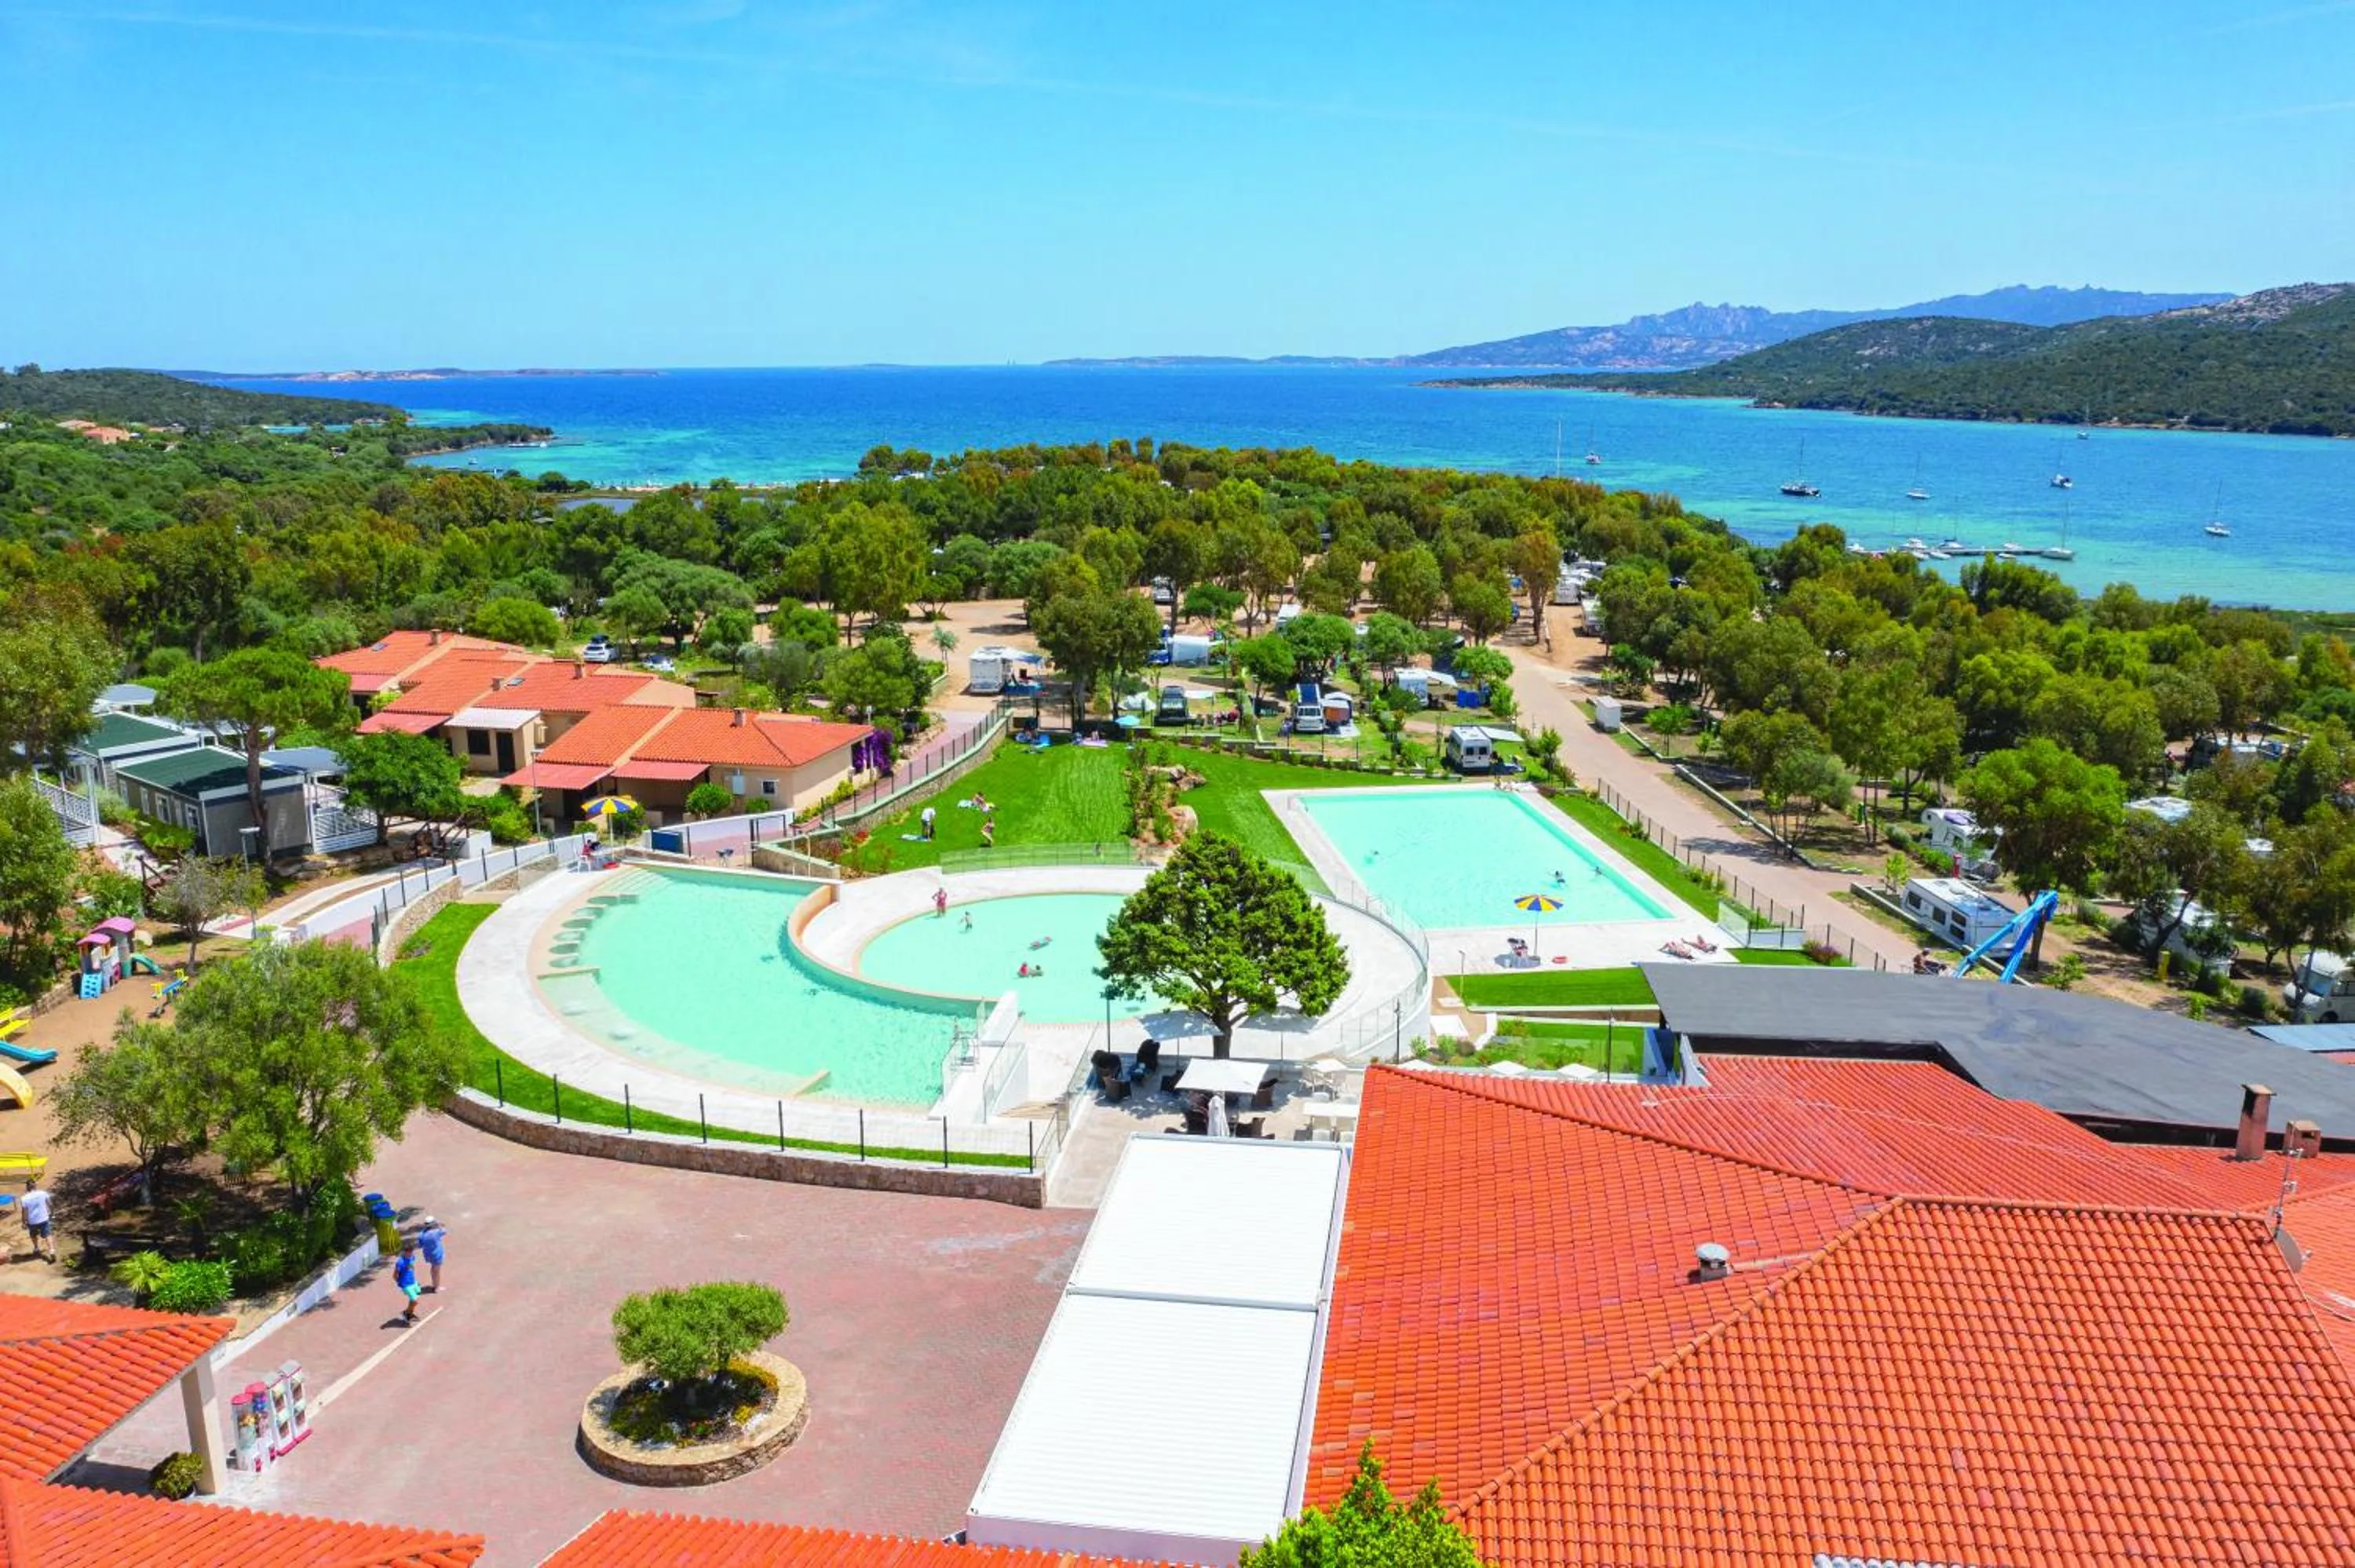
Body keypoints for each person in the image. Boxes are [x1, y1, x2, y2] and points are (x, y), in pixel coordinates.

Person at [19, 1177, 54, 1264]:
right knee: (47, 1235)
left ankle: (36, 1248)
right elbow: (50, 1204)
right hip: (44, 1218)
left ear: (27, 1187)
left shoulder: (24, 1198)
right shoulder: (43, 1193)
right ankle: (52, 1250)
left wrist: (24, 1222)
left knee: (33, 1235)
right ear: (35, 1186)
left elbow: (24, 1212)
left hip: (32, 1221)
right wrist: (52, 1213)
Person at [392, 1238, 422, 1324]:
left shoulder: (412, 1257)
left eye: (411, 1252)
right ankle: (406, 1313)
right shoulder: (400, 1262)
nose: (410, 1254)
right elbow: (394, 1276)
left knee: (416, 1297)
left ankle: (409, 1314)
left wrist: (414, 1280)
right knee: (415, 1301)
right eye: (408, 1252)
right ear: (404, 1252)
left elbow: (411, 1268)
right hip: (406, 1285)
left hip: (413, 1282)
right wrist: (401, 1284)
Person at [416, 1216, 448, 1293]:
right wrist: (438, 1226)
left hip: (428, 1254)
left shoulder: (421, 1234)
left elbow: (420, 1245)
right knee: (436, 1270)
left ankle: (435, 1284)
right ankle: (436, 1287)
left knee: (433, 1268)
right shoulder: (436, 1233)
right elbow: (445, 1231)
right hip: (437, 1254)